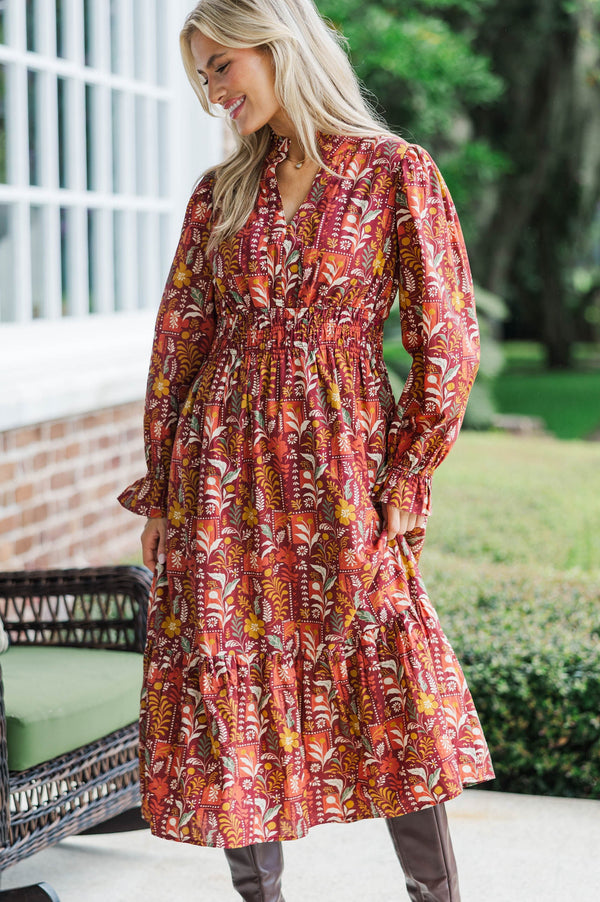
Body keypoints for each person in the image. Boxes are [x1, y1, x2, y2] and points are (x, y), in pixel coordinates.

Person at [118, 1, 495, 900]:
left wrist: (405, 475)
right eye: (200, 75)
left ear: (278, 45)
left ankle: (436, 895)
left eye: (221, 67)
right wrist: (169, 497)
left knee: (388, 665)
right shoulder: (222, 192)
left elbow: (448, 339)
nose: (213, 92)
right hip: (222, 473)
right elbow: (180, 347)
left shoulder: (393, 172)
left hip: (346, 463)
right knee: (228, 670)